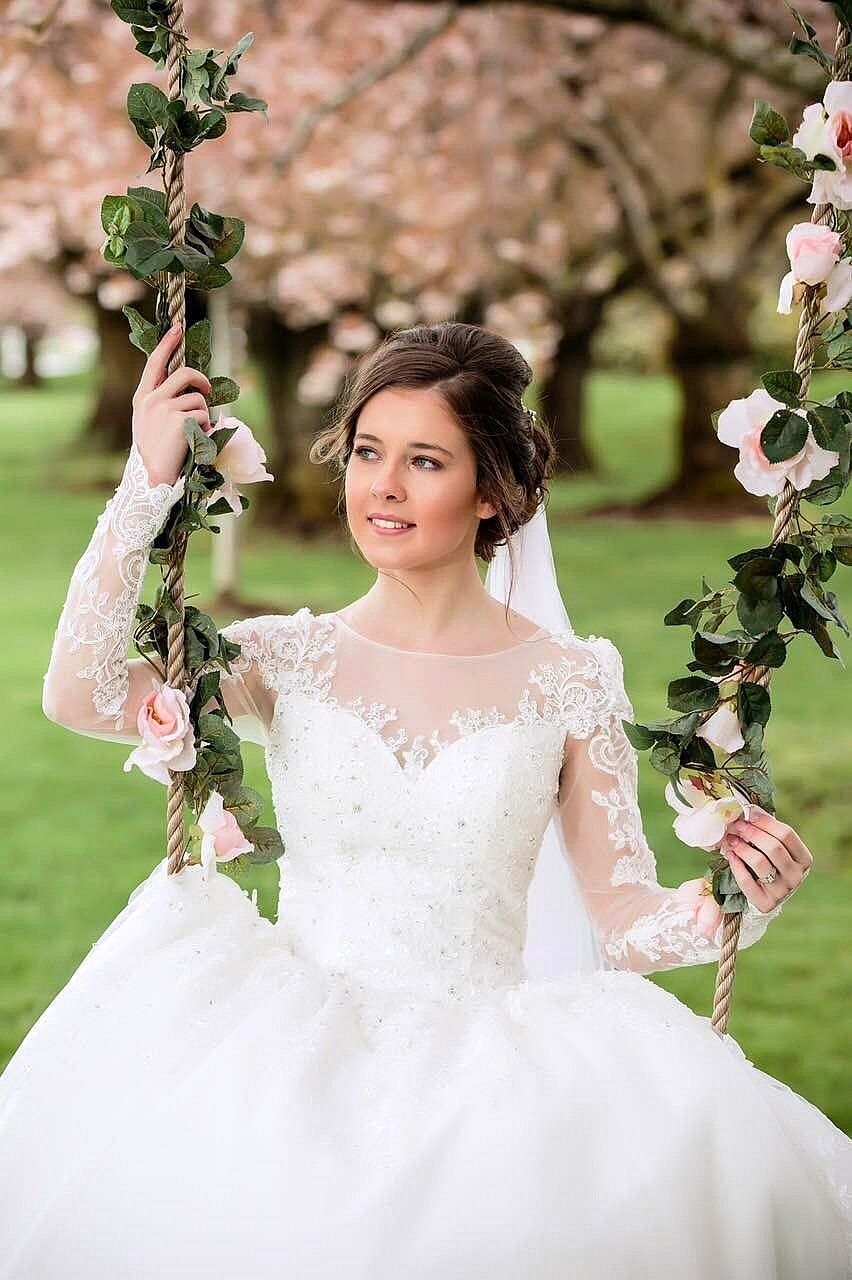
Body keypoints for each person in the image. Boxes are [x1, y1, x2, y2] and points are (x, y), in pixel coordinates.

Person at [0, 321, 849, 1279]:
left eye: (424, 460)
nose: (382, 487)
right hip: (289, 1046)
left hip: (489, 1070)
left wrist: (729, 903)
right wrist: (146, 483)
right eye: (367, 453)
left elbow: (620, 922)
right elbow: (77, 692)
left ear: (490, 490)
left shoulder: (568, 681)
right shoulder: (283, 657)